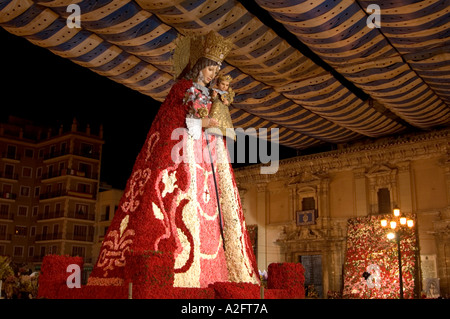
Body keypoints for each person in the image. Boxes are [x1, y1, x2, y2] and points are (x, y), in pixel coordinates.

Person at [87, 31, 260, 290]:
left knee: (213, 210)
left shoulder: (210, 93)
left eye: (216, 70)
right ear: (200, 66)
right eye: (211, 68)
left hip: (208, 154)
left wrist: (217, 121)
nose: (213, 74)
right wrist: (204, 122)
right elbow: (180, 122)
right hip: (186, 152)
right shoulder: (183, 88)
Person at [209, 74, 236, 141]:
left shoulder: (227, 94)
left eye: (227, 85)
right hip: (216, 108)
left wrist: (227, 102)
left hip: (224, 110)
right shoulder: (215, 91)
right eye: (223, 84)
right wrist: (214, 96)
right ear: (218, 83)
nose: (224, 87)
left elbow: (229, 101)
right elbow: (212, 99)